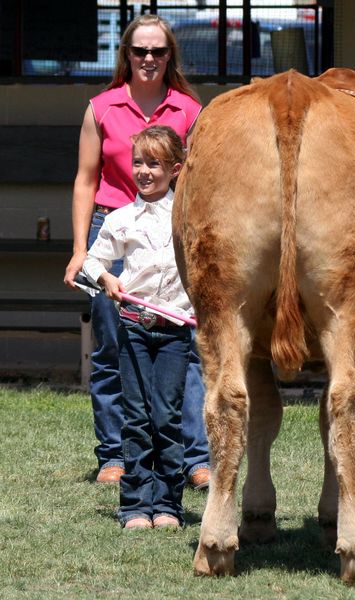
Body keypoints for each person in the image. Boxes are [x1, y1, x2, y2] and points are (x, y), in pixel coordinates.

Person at [63, 14, 210, 488]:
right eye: (139, 51)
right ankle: (115, 455)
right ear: (125, 54)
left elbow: (204, 184)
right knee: (111, 348)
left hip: (172, 235)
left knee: (184, 348)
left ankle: (194, 459)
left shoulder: (189, 110)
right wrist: (79, 249)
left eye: (158, 51)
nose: (149, 59)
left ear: (171, 57)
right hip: (113, 231)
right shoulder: (101, 107)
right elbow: (86, 181)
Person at [83, 125, 192, 529]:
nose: (144, 171)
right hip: (133, 328)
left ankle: (167, 505)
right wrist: (107, 280)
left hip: (175, 332)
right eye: (138, 163)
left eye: (155, 164)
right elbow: (93, 262)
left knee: (166, 415)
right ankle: (134, 506)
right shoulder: (121, 219)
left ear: (175, 169)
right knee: (136, 416)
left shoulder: (188, 217)